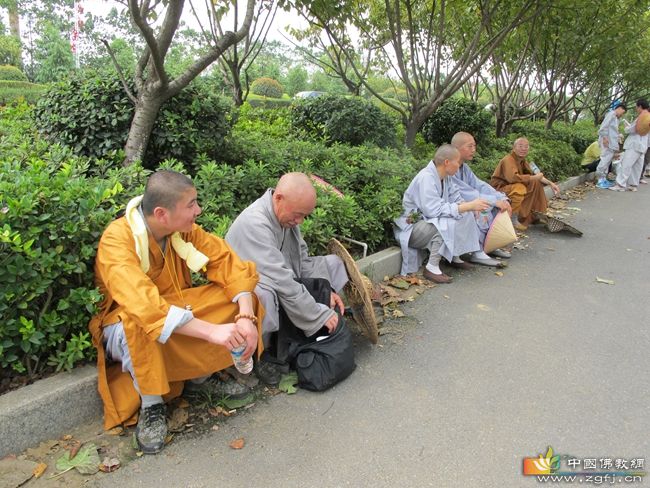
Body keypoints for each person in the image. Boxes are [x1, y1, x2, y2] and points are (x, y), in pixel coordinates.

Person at [88, 170, 263, 454]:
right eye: (191, 204)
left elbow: (227, 263)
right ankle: (152, 404)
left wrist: (245, 316)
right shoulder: (116, 239)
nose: (199, 210)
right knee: (139, 323)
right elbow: (143, 305)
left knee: (236, 297)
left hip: (175, 307)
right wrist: (212, 331)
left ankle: (198, 379)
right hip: (125, 323)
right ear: (162, 213)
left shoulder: (183, 231)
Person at [225, 172, 348, 383]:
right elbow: (281, 280)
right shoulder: (255, 223)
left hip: (283, 279)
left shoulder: (288, 218)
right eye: (298, 215)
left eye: (304, 216)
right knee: (263, 293)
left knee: (333, 263)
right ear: (279, 198)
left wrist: (327, 291)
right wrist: (318, 313)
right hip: (248, 289)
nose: (299, 221)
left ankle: (322, 318)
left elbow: (302, 260)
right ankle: (262, 353)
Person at [394, 144, 489, 284]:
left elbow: (456, 199)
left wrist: (471, 207)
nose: (459, 165)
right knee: (446, 223)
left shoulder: (446, 177)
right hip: (412, 228)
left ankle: (455, 256)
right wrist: (467, 206)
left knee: (466, 214)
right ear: (447, 162)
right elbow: (432, 211)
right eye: (457, 162)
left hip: (428, 222)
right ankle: (431, 267)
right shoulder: (426, 178)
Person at [451, 131, 512, 262]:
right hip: (454, 205)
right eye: (470, 146)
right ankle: (477, 251)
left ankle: (490, 245)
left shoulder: (464, 167)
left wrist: (500, 197)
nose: (474, 150)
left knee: (496, 207)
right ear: (456, 148)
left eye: (474, 146)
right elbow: (467, 193)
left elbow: (479, 185)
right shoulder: (450, 167)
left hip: (467, 201)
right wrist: (494, 201)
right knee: (482, 209)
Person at [490, 137, 560, 231]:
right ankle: (512, 219)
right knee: (519, 188)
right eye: (520, 146)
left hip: (512, 187)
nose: (523, 149)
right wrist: (534, 178)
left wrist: (551, 183)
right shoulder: (508, 159)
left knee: (536, 183)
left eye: (526, 146)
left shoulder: (523, 161)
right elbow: (513, 178)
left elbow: (536, 175)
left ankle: (536, 215)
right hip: (499, 189)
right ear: (514, 148)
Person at [611, 99, 650, 192]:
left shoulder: (641, 117)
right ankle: (633, 185)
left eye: (637, 107)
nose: (636, 109)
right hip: (643, 146)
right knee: (637, 166)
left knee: (626, 164)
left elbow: (631, 129)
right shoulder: (648, 117)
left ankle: (620, 184)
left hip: (634, 144)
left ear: (640, 106)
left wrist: (626, 127)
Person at [595, 102, 626, 189]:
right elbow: (603, 127)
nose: (622, 115)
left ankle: (603, 178)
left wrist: (618, 136)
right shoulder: (611, 114)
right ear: (619, 108)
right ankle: (600, 179)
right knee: (604, 160)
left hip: (611, 143)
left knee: (607, 161)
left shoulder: (615, 118)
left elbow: (612, 130)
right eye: (622, 112)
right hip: (607, 142)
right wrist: (604, 138)